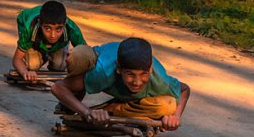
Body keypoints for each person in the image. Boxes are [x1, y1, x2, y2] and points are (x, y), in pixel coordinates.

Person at [51, 37, 190, 131]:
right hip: (97, 59)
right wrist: (87, 112)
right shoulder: (103, 73)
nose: (137, 82)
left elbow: (185, 90)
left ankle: (111, 109)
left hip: (125, 100)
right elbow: (58, 87)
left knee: (168, 106)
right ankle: (74, 99)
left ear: (150, 69)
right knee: (77, 58)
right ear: (119, 69)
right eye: (130, 74)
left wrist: (175, 117)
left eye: (143, 74)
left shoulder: (160, 79)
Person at [12, 0, 87, 82]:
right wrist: (25, 72)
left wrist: (76, 58)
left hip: (59, 44)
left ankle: (49, 55)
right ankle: (43, 55)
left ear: (64, 24)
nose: (53, 35)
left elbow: (88, 54)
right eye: (47, 28)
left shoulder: (72, 29)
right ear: (40, 24)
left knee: (60, 66)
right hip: (28, 25)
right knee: (32, 66)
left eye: (58, 29)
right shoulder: (29, 29)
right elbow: (17, 59)